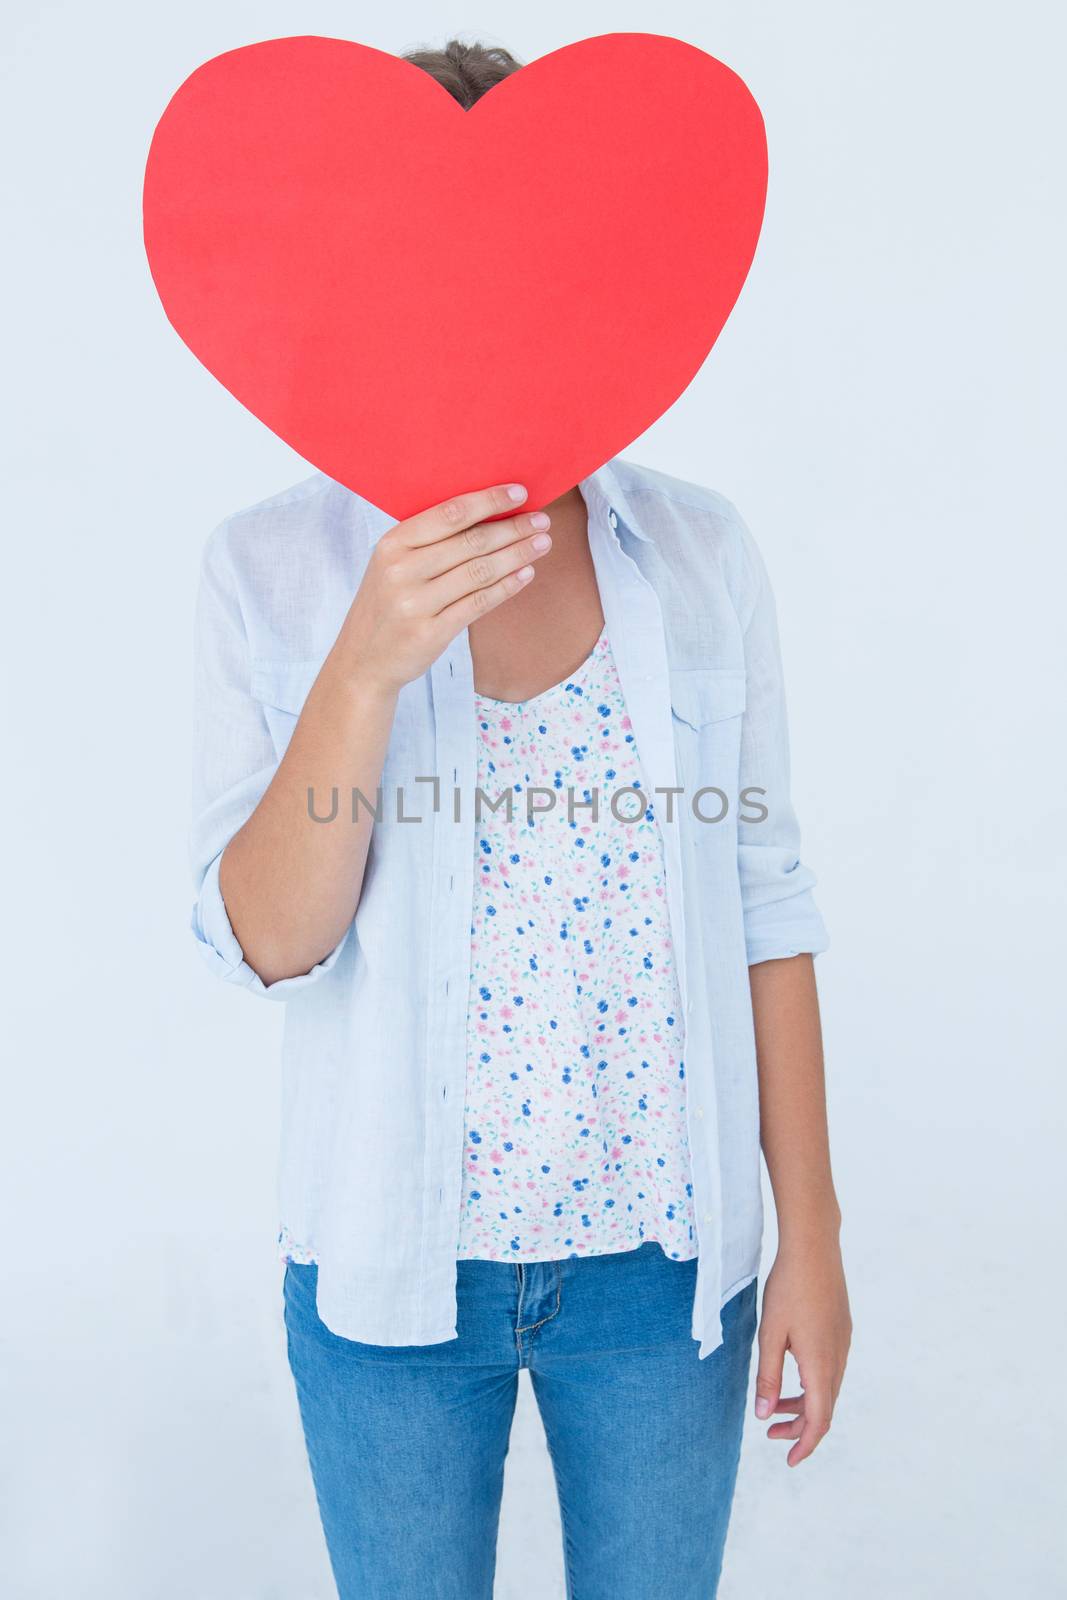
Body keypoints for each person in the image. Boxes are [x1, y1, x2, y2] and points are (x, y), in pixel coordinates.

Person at [188, 36, 851, 1600]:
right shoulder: (270, 573)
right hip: (391, 1285)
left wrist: (811, 1240)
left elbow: (769, 904)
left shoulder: (694, 558)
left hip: (665, 1280)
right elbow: (268, 942)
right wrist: (362, 663)